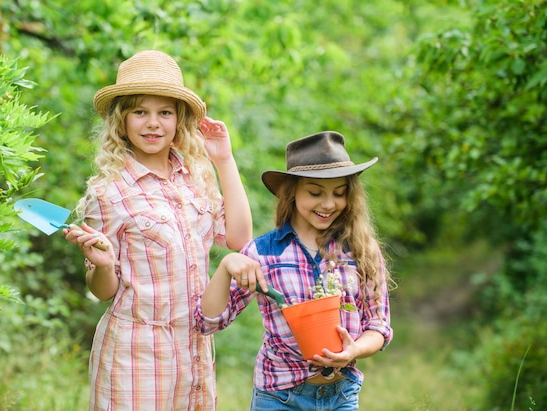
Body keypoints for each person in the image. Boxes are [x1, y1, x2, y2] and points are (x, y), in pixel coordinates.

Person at [63, 50, 253, 411]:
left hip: (193, 347)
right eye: (140, 112)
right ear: (122, 120)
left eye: (164, 112)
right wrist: (102, 265)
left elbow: (239, 239)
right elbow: (104, 292)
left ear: (178, 120)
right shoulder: (108, 193)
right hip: (136, 351)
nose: (153, 123)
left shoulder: (195, 178)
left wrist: (224, 160)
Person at [195, 131, 393, 410]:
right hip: (279, 397)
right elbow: (208, 322)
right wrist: (227, 266)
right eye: (315, 192)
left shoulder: (360, 251)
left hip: (341, 396)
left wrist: (354, 349)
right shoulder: (263, 253)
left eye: (339, 193)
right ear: (292, 192)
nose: (328, 204)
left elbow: (378, 326)